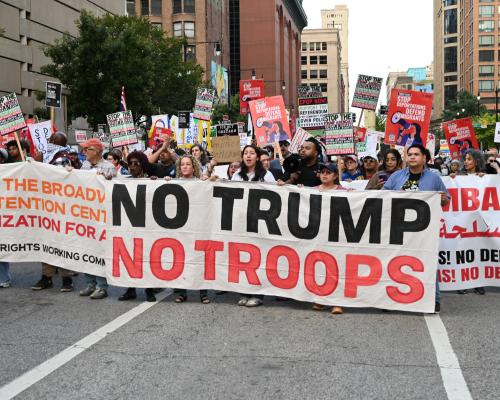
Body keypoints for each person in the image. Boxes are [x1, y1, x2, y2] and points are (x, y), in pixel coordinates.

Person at [383, 144, 450, 313]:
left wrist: (442, 198)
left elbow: (446, 199)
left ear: (424, 158)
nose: (412, 157)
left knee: (427, 262)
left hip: (424, 229)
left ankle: (433, 300)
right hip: (398, 227)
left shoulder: (434, 178)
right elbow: (383, 195)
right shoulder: (396, 176)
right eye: (410, 154)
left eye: (416, 154)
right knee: (394, 260)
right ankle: (390, 299)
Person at [232, 145, 275, 307]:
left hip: (261, 222)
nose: (248, 156)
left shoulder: (266, 175)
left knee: (259, 257)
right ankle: (244, 292)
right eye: (245, 153)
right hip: (242, 222)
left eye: (252, 153)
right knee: (243, 257)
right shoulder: (237, 175)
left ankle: (258, 294)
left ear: (257, 157)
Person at [166, 155, 210, 304]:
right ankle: (182, 293)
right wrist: (164, 182)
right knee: (181, 260)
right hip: (181, 229)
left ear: (193, 167)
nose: (185, 166)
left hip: (197, 227)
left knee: (199, 260)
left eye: (188, 164)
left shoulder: (200, 182)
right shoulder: (174, 182)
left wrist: (209, 180)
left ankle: (203, 293)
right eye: (182, 164)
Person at [78, 138, 116, 299]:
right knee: (87, 249)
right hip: (87, 214)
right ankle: (90, 283)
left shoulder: (109, 167)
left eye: (87, 149)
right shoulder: (85, 166)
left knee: (99, 251)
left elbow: (113, 188)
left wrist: (105, 179)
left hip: (101, 215)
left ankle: (102, 286)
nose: (84, 152)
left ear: (97, 151)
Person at [118, 151, 157, 302]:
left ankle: (149, 290)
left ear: (143, 165)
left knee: (146, 257)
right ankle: (130, 289)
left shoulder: (151, 180)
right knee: (130, 257)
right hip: (130, 226)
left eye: (136, 163)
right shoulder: (124, 181)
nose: (132, 167)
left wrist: (156, 183)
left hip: (147, 226)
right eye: (130, 164)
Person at [311, 163, 346, 314]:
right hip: (318, 236)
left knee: (337, 268)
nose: (324, 175)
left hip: (337, 236)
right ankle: (320, 299)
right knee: (319, 267)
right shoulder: (311, 190)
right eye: (322, 172)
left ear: (335, 176)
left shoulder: (344, 191)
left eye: (328, 172)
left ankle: (336, 302)